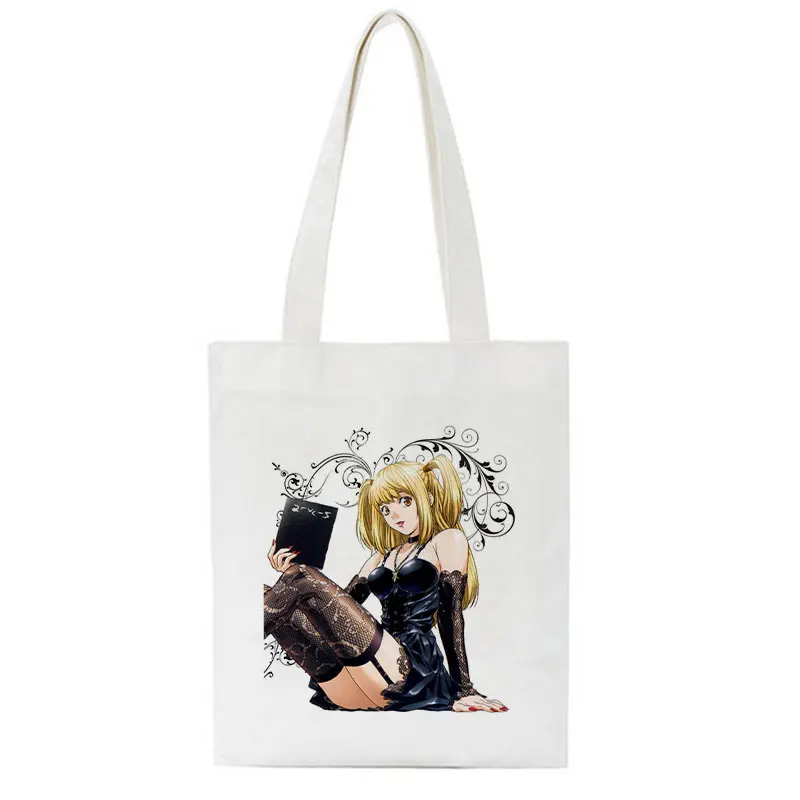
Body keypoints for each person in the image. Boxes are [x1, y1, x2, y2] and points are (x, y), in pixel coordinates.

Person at [263, 454, 508, 712]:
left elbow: (450, 614)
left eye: (404, 501)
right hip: (359, 677)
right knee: (270, 592)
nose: (394, 515)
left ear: (428, 497)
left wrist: (463, 689)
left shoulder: (447, 540)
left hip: (409, 671)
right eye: (385, 509)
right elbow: (335, 610)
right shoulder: (381, 556)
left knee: (302, 576)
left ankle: (238, 647)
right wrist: (289, 576)